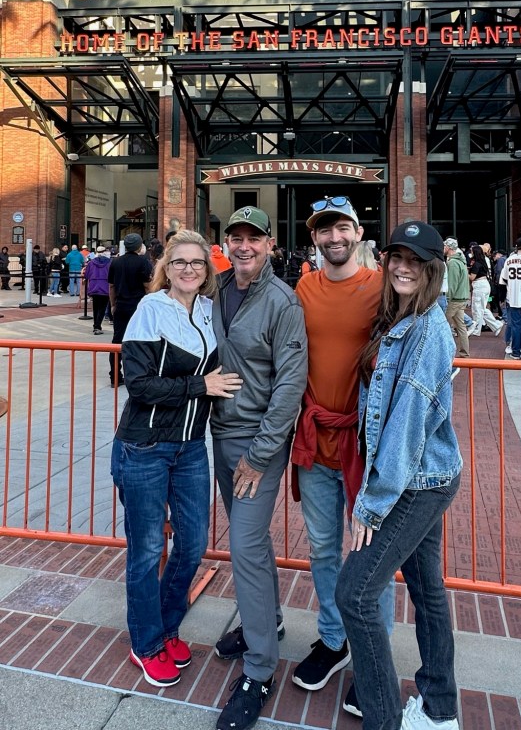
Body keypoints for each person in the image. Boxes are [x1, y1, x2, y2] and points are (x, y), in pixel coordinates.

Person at [335, 220, 462, 730]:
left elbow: (405, 427)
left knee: (355, 594)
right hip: (426, 475)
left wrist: (371, 505)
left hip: (413, 482)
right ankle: (439, 709)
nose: (404, 268)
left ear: (433, 269)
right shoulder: (400, 317)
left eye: (416, 260)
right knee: (427, 590)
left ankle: (383, 719)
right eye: (397, 258)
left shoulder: (427, 331)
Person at [110, 230, 242, 688]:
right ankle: (145, 643)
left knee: (192, 544)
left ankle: (167, 628)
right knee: (147, 551)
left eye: (197, 263)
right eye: (180, 262)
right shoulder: (152, 309)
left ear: (208, 270)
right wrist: (200, 386)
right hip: (144, 446)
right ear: (166, 267)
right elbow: (139, 384)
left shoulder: (208, 309)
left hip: (190, 447)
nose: (189, 269)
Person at [291, 197, 393, 720]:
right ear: (315, 238)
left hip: (365, 446)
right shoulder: (303, 288)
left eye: (343, 228)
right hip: (315, 441)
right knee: (324, 548)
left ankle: (373, 657)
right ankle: (333, 639)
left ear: (358, 233)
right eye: (325, 230)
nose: (334, 237)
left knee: (370, 557)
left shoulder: (383, 288)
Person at [211, 206, 307, 730]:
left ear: (270, 244)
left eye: (254, 238)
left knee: (245, 546)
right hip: (219, 433)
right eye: (236, 237)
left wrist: (261, 452)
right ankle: (265, 622)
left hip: (256, 444)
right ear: (226, 242)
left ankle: (260, 668)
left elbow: (290, 384)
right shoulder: (216, 288)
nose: (244, 245)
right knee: (254, 543)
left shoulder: (282, 301)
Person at [108, 233, 153, 386]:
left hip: (121, 305)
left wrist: (113, 304)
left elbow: (111, 286)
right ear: (140, 246)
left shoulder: (116, 262)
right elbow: (147, 286)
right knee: (142, 340)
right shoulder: (143, 262)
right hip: (139, 306)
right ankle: (140, 374)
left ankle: (114, 375)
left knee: (117, 341)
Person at [443, 238, 471, 358]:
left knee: (443, 325)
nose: (443, 248)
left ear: (449, 248)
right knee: (461, 327)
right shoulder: (461, 261)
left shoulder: (453, 263)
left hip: (454, 299)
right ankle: (464, 352)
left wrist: (447, 298)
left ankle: (445, 353)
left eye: (444, 246)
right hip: (461, 298)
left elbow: (452, 284)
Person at [468, 244, 503, 337]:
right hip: (484, 285)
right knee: (482, 308)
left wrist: (465, 272)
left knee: (477, 308)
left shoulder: (476, 264)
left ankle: (478, 329)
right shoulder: (483, 262)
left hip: (479, 286)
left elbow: (472, 277)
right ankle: (495, 325)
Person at [84, 246, 112, 334]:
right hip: (105, 286)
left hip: (94, 286)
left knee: (95, 307)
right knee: (102, 308)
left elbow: (86, 275)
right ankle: (97, 326)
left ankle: (96, 325)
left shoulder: (91, 263)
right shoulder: (109, 262)